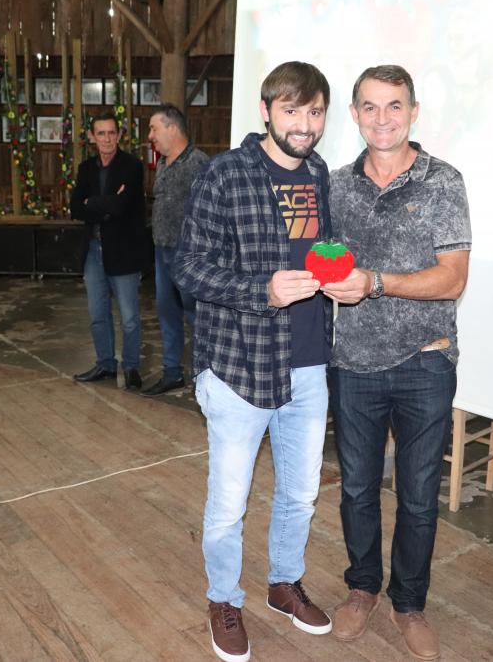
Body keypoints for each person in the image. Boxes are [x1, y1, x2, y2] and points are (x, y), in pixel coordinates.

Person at [173, 61, 334, 662]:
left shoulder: (318, 174)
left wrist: (341, 275)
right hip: (240, 366)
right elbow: (188, 268)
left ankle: (283, 584)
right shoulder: (225, 175)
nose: (304, 124)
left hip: (309, 364)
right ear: (266, 111)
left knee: (300, 493)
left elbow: (319, 252)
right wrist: (260, 290)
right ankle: (224, 599)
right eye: (292, 111)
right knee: (228, 504)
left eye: (315, 112)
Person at [321, 65, 471, 662]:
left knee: (418, 494)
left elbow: (452, 279)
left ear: (413, 112)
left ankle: (409, 604)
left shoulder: (444, 181)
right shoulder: (335, 185)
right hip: (353, 363)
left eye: (394, 106)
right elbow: (319, 260)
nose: (382, 118)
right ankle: (363, 588)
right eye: (370, 106)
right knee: (357, 488)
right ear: (354, 114)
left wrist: (375, 282)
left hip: (424, 361)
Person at [71, 112, 146, 390]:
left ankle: (131, 366)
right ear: (92, 137)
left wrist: (92, 203)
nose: (106, 138)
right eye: (100, 133)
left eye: (111, 133)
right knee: (97, 314)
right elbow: (75, 208)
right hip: (93, 250)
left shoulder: (132, 166)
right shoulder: (86, 169)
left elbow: (121, 206)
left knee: (129, 317)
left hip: (124, 250)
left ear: (119, 135)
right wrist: (106, 203)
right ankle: (105, 364)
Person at [140, 103, 209, 396]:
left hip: (189, 256)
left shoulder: (198, 163)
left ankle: (205, 378)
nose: (150, 136)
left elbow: (210, 212)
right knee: (167, 314)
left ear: (172, 128)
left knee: (197, 317)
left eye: (154, 128)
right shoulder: (163, 164)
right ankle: (172, 373)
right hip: (162, 251)